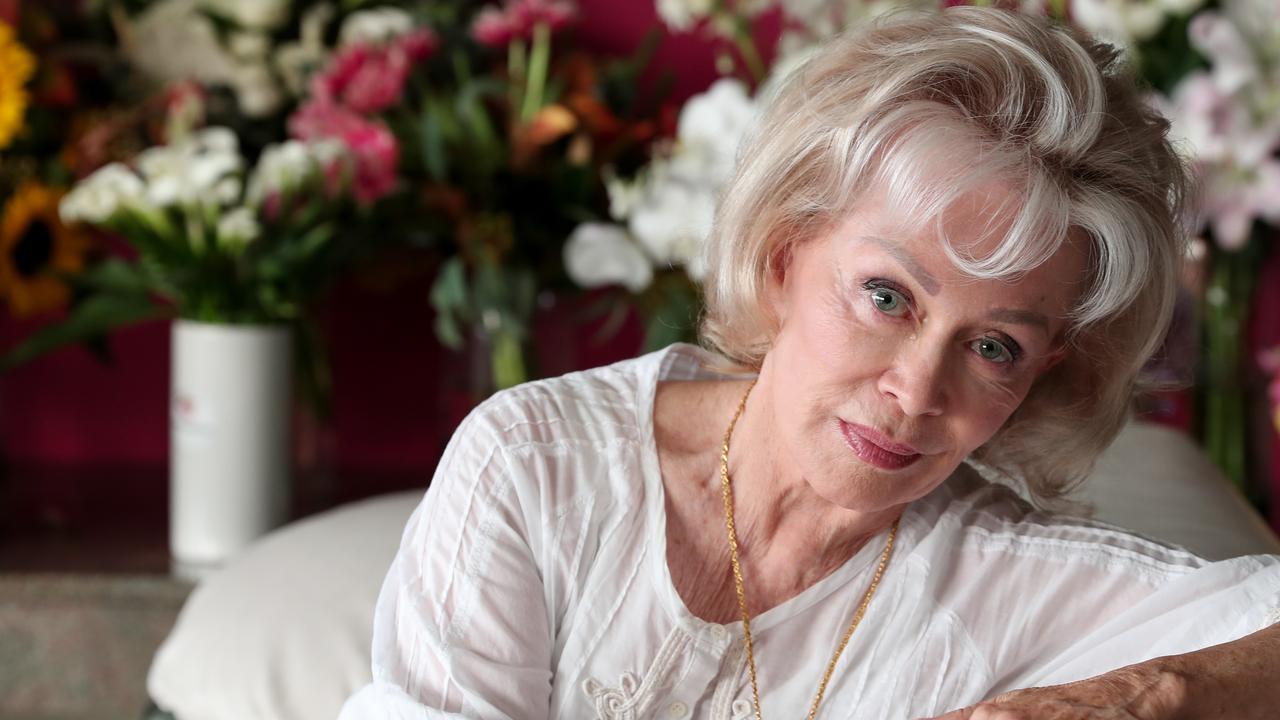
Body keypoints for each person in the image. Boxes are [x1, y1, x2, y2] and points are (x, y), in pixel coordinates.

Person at [340, 7, 1280, 719]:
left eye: (994, 346)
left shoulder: (1006, 578)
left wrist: (1151, 693)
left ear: (1042, 374)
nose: (914, 392)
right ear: (786, 256)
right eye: (886, 296)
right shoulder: (537, 467)